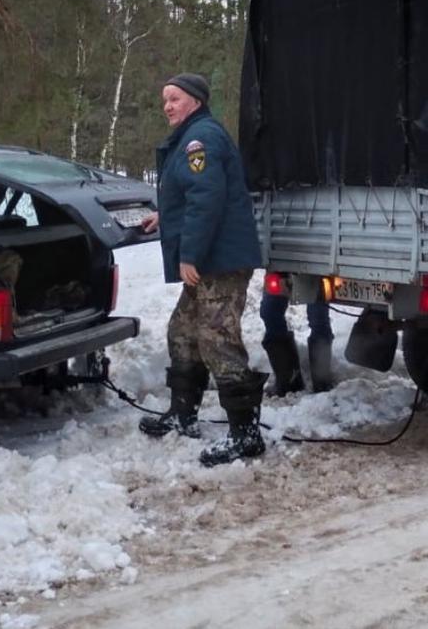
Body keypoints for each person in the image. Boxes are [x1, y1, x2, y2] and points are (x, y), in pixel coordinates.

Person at [139, 72, 268, 467]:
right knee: (182, 330)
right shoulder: (192, 138)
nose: (168, 106)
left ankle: (246, 435)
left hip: (220, 261)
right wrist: (167, 216)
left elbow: (208, 200)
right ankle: (182, 414)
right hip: (209, 258)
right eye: (165, 99)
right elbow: (194, 194)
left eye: (175, 98)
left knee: (216, 338)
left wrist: (189, 253)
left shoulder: (201, 139)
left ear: (195, 101)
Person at [260, 292, 334, 394]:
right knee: (270, 310)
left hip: (316, 277)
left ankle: (322, 382)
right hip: (285, 276)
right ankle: (289, 380)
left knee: (318, 315)